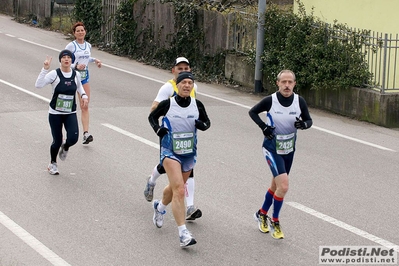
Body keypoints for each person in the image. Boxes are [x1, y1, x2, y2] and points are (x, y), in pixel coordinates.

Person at [148, 71, 211, 247]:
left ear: (192, 86)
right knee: (180, 191)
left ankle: (160, 208)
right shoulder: (168, 104)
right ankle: (183, 233)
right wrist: (158, 129)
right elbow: (152, 116)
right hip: (169, 151)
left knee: (177, 188)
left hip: (189, 152)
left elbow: (207, 123)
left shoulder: (197, 105)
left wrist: (202, 125)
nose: (187, 86)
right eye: (183, 83)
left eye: (190, 83)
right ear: (177, 85)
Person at [248, 70, 312, 239]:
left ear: (294, 84)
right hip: (271, 148)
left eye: (290, 82)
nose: (287, 85)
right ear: (278, 83)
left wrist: (303, 125)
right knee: (283, 186)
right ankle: (275, 221)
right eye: (283, 82)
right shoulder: (271, 100)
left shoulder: (299, 101)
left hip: (289, 149)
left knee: (276, 186)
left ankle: (261, 213)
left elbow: (309, 120)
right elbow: (253, 112)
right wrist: (264, 127)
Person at [144, 57, 202, 221]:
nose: (183, 71)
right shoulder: (168, 87)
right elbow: (154, 108)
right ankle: (152, 181)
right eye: (180, 68)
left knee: (188, 171)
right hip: (170, 136)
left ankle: (190, 207)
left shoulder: (193, 86)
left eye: (186, 69)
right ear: (173, 70)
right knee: (165, 167)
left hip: (187, 136)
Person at [35, 50, 88, 175]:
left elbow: (79, 86)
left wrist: (84, 96)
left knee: (74, 138)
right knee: (57, 141)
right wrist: (45, 69)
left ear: (71, 60)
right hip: (55, 113)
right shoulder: (55, 74)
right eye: (64, 57)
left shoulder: (75, 74)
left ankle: (66, 146)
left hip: (70, 112)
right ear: (60, 60)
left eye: (69, 58)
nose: (66, 59)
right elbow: (38, 85)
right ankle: (53, 163)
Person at [65, 21, 102, 144]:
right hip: (71, 76)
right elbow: (64, 60)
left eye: (82, 30)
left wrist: (95, 60)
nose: (81, 32)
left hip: (84, 77)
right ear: (74, 34)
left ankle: (86, 134)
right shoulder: (71, 46)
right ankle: (66, 131)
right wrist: (75, 66)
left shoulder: (88, 45)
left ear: (85, 32)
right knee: (67, 106)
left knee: (85, 104)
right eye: (78, 31)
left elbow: (86, 58)